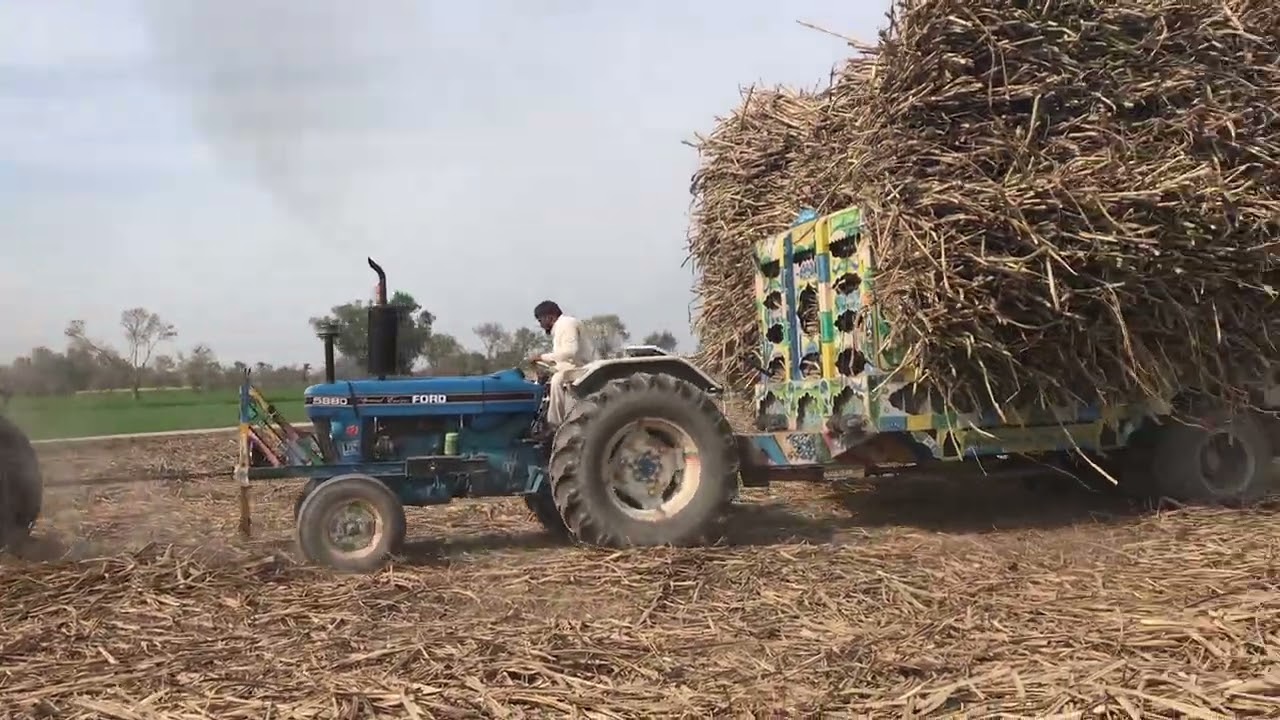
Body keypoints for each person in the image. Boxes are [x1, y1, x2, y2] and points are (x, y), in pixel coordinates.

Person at [529, 300, 595, 429]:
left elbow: (570, 352)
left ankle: (555, 425)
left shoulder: (566, 324)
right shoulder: (560, 327)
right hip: (574, 366)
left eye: (540, 320)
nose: (541, 324)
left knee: (558, 379)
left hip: (585, 367)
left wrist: (541, 357)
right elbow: (563, 358)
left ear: (550, 316)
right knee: (545, 381)